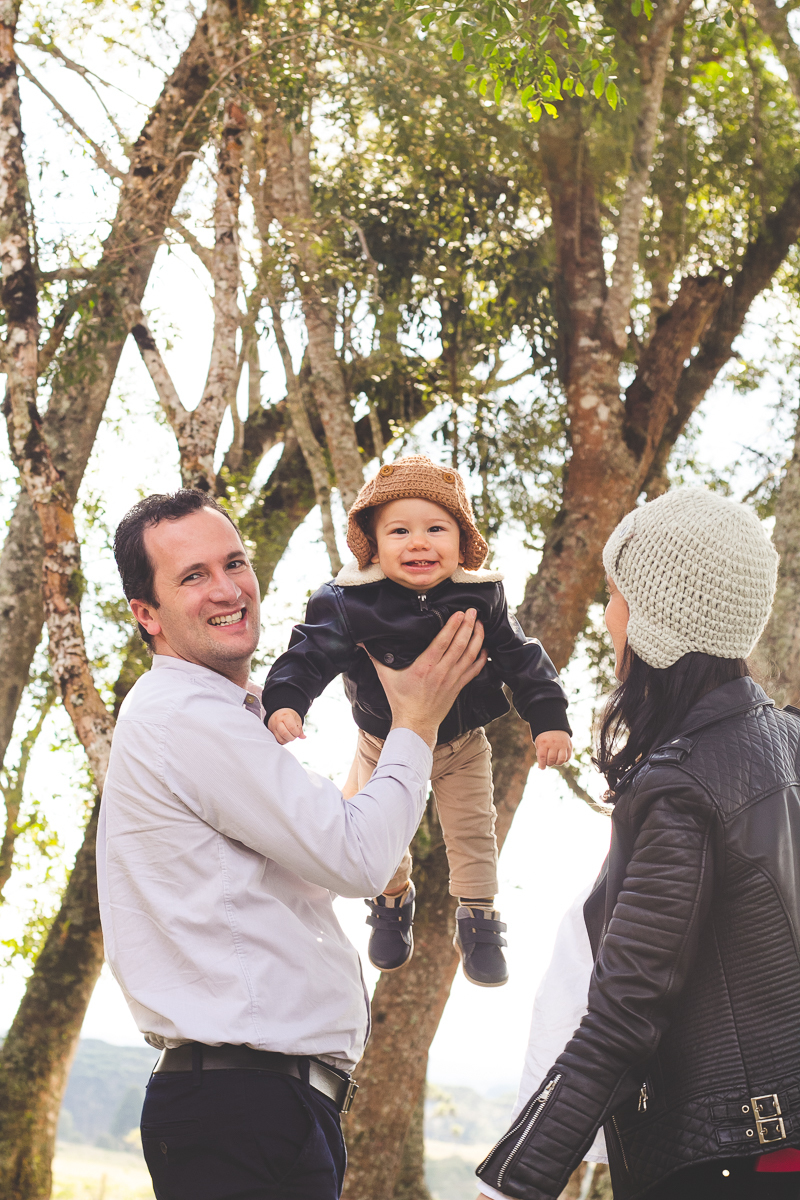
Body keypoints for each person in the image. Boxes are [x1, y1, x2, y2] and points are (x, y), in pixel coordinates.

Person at [98, 488, 487, 1200]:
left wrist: (381, 748)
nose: (227, 589)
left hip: (264, 1112)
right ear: (145, 615)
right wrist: (418, 723)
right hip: (242, 1116)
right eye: (193, 576)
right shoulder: (186, 714)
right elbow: (357, 857)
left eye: (234, 563)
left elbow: (330, 846)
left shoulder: (227, 723)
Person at [476, 487, 800, 1200]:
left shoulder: (685, 783)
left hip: (730, 1169)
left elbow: (625, 1013)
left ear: (662, 622)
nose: (608, 617)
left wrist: (514, 1184)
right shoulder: (789, 746)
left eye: (617, 596)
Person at [262, 455, 572, 988]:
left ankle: (478, 917)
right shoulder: (350, 601)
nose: (419, 543)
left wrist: (549, 719)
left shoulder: (481, 594)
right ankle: (391, 898)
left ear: (462, 539)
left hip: (461, 743)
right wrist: (286, 701)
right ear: (373, 544)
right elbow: (310, 652)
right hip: (381, 741)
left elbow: (522, 658)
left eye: (436, 529)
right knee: (377, 828)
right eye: (399, 531)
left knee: (473, 829)